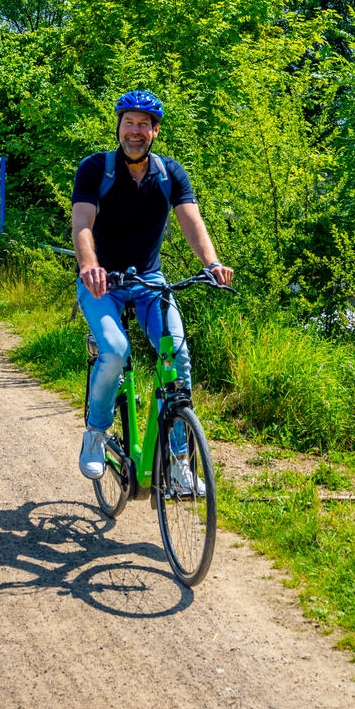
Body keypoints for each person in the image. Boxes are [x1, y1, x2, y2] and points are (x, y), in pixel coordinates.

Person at [71, 90, 233, 490]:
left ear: (156, 131)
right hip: (101, 282)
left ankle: (179, 462)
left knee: (177, 359)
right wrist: (89, 265)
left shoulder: (170, 173)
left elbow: (192, 222)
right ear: (118, 126)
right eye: (130, 122)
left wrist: (210, 263)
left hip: (148, 283)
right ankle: (95, 433)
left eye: (145, 124)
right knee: (114, 350)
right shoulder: (95, 168)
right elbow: (82, 221)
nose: (136, 131)